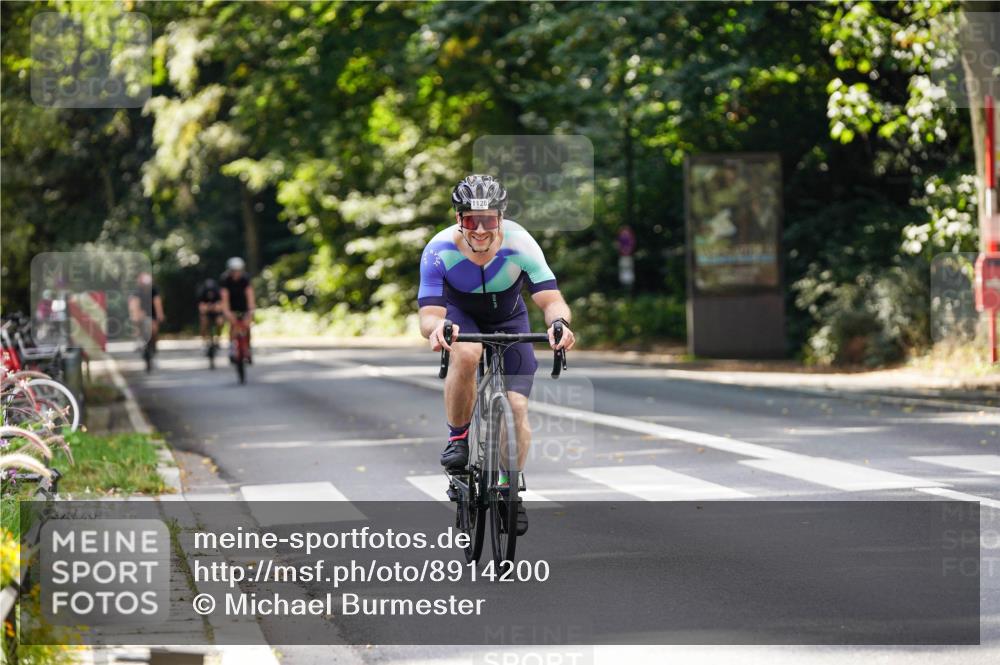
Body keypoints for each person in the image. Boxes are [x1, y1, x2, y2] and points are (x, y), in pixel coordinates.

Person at [417, 174, 576, 536]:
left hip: (509, 318)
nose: (480, 230)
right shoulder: (439, 249)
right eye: (472, 221)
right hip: (461, 317)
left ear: (501, 218)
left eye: (488, 220)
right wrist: (437, 330)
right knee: (468, 353)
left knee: (517, 408)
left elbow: (550, 301)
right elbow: (429, 314)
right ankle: (458, 440)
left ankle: (509, 487)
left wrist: (560, 324)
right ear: (459, 219)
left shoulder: (521, 243)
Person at [219, 257, 255, 363]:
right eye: (234, 271)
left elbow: (250, 295)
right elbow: (224, 297)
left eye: (238, 271)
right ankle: (231, 348)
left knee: (247, 327)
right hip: (231, 304)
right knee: (233, 326)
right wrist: (227, 312)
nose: (236, 273)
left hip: (243, 304)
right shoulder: (225, 279)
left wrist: (251, 311)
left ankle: (247, 348)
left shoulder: (245, 278)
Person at [128, 272, 165, 370]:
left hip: (151, 314)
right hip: (140, 313)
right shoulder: (136, 292)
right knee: (137, 326)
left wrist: (160, 315)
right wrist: (136, 316)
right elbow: (134, 306)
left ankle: (154, 349)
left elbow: (158, 304)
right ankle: (139, 340)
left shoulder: (154, 291)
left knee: (154, 330)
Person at [196, 278, 223, 348]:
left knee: (220, 322)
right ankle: (204, 340)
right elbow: (201, 307)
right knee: (203, 322)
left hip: (216, 312)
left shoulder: (217, 292)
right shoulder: (202, 293)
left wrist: (214, 307)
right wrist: (208, 307)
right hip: (206, 312)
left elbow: (220, 305)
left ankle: (218, 339)